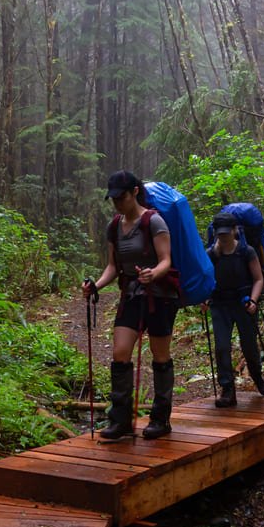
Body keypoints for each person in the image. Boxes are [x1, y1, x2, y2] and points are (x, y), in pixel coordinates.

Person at [82, 170, 179, 440]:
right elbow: (113, 267)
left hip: (160, 297)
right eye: (113, 199)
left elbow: (165, 261)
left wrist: (152, 274)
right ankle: (121, 420)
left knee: (160, 356)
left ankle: (160, 420)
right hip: (131, 296)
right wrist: (95, 286)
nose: (117, 203)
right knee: (120, 353)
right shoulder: (114, 226)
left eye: (121, 197)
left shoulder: (154, 221)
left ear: (135, 192)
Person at [205, 212, 264, 408]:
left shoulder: (246, 251)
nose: (223, 237)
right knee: (222, 347)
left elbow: (258, 279)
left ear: (235, 231)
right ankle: (227, 390)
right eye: (220, 233)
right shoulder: (211, 255)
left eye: (226, 232)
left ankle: (258, 379)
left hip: (244, 304)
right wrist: (204, 297)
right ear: (215, 233)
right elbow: (206, 280)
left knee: (249, 345)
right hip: (220, 305)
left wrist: (254, 300)